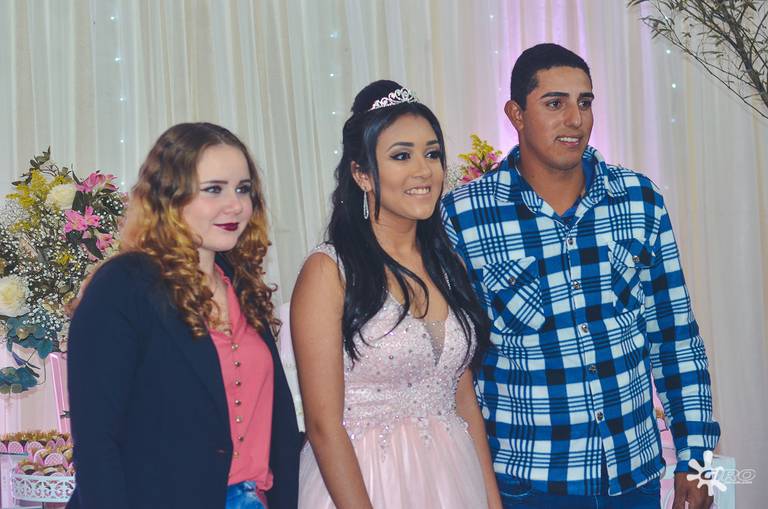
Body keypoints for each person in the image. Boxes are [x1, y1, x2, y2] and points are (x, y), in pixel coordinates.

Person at [441, 44, 721, 509]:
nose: (575, 119)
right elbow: (457, 366)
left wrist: (698, 458)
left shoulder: (638, 199)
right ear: (516, 114)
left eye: (584, 102)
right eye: (555, 103)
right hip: (530, 484)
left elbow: (675, 338)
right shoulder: (465, 216)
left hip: (633, 477)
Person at [291, 80, 503, 508]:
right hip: (368, 480)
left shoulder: (447, 264)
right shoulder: (329, 272)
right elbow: (323, 426)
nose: (423, 170)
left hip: (452, 477)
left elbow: (464, 399)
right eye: (402, 156)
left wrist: (491, 499)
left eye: (432, 154)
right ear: (362, 174)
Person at [67, 122, 301, 509]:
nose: (236, 205)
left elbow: (279, 428)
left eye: (243, 189)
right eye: (214, 189)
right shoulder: (123, 286)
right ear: (169, 199)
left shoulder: (243, 285)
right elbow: (96, 442)